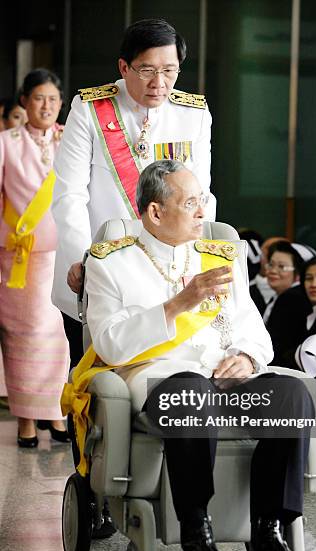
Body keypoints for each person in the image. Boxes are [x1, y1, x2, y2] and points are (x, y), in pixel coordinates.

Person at [81, 159, 315, 551]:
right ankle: (196, 538)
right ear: (155, 212)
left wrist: (246, 358)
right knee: (191, 393)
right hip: (159, 378)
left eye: (202, 201)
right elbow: (110, 344)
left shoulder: (219, 257)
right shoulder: (110, 263)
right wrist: (176, 306)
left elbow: (256, 334)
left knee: (292, 397)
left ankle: (269, 537)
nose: (202, 213)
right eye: (190, 203)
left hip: (226, 378)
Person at [52, 18, 216, 368]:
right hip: (98, 268)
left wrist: (195, 261)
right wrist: (83, 260)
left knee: (172, 371)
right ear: (123, 67)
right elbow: (69, 195)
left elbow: (201, 197)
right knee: (93, 381)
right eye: (146, 71)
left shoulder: (194, 113)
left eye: (170, 71)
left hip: (169, 274)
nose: (160, 84)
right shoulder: (90, 109)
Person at [0, 69, 70, 448]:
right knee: (24, 337)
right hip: (21, 257)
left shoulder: (68, 140)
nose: (46, 106)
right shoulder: (6, 142)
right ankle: (26, 419)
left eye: (53, 99)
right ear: (24, 101)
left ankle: (56, 412)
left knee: (59, 337)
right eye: (38, 98)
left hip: (64, 255)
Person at [263, 241, 311, 366]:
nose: (273, 271)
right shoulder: (281, 295)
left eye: (282, 267)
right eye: (271, 265)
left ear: (298, 273)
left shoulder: (291, 299)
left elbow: (279, 344)